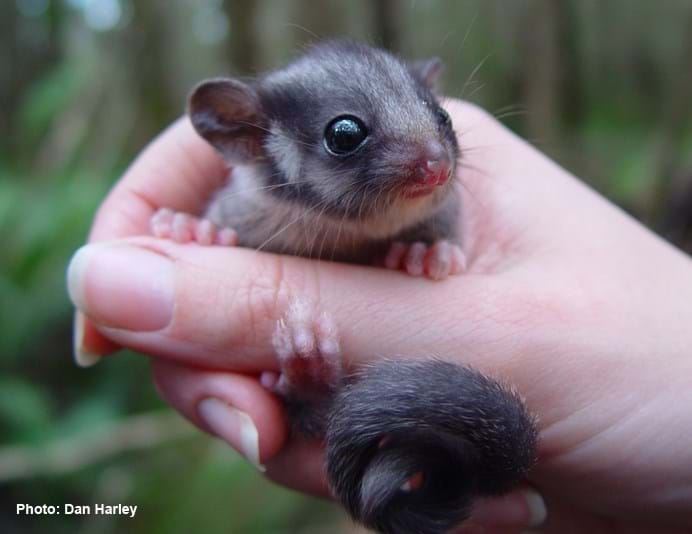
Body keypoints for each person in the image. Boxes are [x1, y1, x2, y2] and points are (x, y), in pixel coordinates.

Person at [67, 99, 692, 533]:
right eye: (347, 135)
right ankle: (314, 391)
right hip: (363, 421)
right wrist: (190, 232)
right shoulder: (246, 205)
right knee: (290, 387)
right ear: (252, 141)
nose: (436, 161)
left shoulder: (438, 220)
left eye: (438, 121)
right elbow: (222, 223)